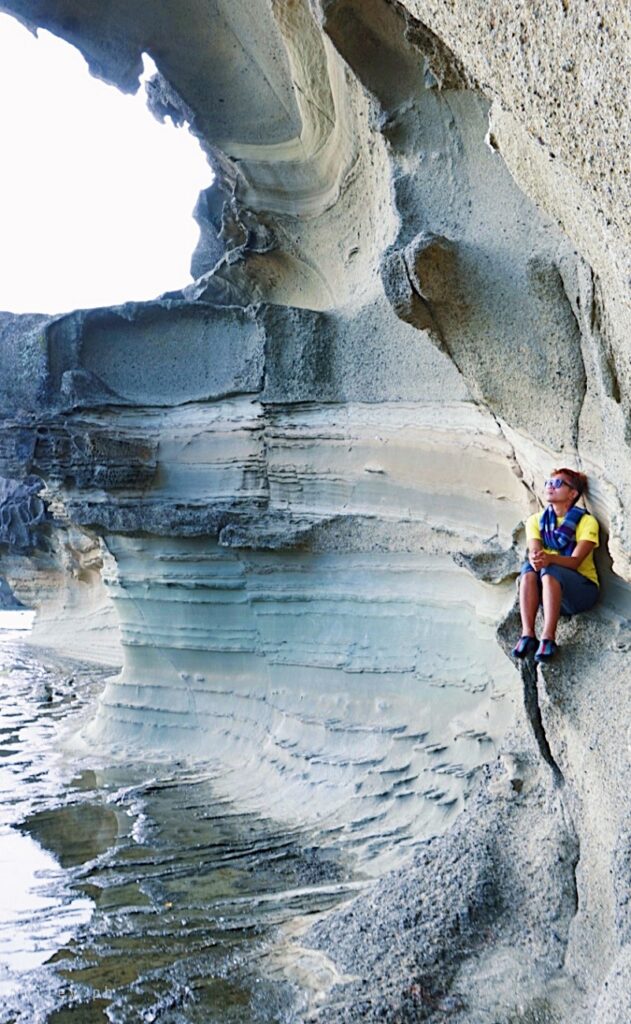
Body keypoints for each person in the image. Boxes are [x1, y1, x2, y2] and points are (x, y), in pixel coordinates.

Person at [512, 468, 599, 662]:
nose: (550, 487)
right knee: (529, 568)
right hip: (549, 595)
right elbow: (535, 554)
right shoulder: (535, 521)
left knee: (550, 569)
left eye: (558, 484)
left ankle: (548, 638)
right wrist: (538, 559)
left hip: (581, 592)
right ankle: (528, 635)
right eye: (549, 483)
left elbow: (576, 562)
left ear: (573, 493)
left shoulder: (586, 522)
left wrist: (549, 559)